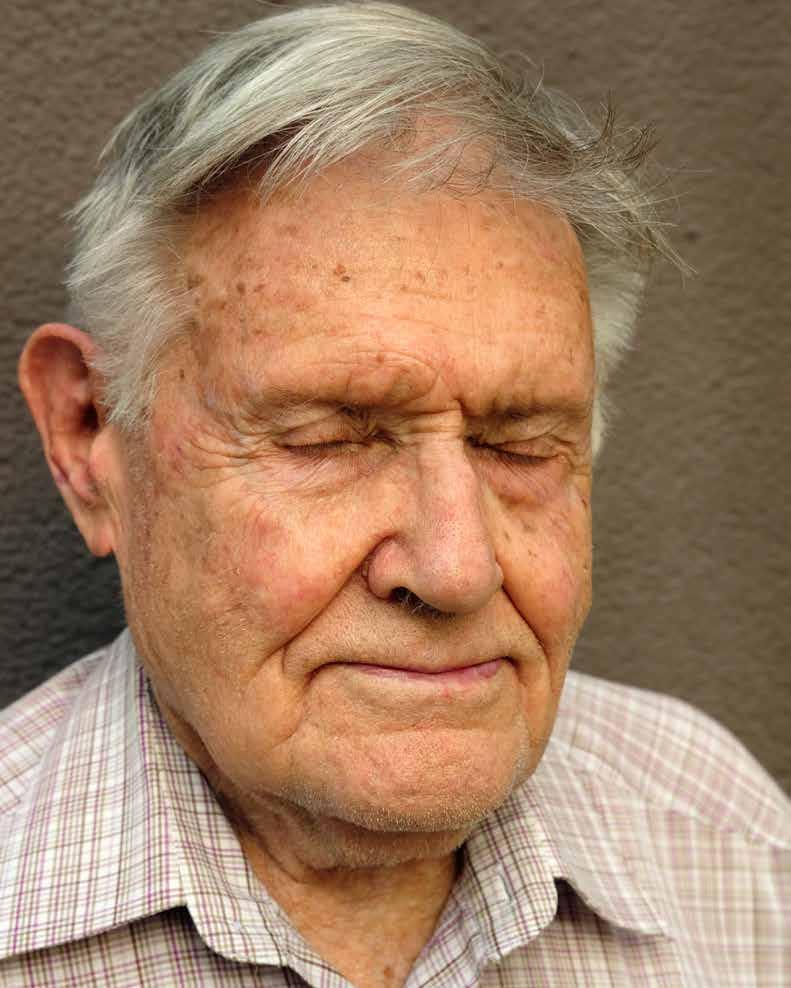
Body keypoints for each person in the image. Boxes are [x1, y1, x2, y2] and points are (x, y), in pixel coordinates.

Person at [2, 2, 788, 985]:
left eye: (517, 444)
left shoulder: (732, 852)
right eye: (327, 438)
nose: (456, 568)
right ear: (87, 436)